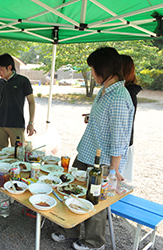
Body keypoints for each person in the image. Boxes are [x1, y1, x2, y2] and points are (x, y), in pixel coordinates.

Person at [51, 47, 134, 250]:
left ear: (104, 70)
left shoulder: (119, 97)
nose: (92, 74)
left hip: (104, 160)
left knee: (95, 200)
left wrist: (113, 171)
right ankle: (70, 231)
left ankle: (94, 242)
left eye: (93, 69)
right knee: (72, 189)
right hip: (88, 151)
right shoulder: (105, 89)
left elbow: (119, 137)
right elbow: (105, 121)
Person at [0, 53, 36, 151]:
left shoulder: (23, 81)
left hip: (16, 124)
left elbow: (31, 102)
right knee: (1, 154)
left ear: (9, 67)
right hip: (0, 125)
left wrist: (31, 123)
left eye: (1, 69)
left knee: (18, 154)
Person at [120, 55, 142, 181]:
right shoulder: (125, 91)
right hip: (124, 144)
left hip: (123, 145)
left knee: (119, 182)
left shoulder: (127, 93)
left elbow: (122, 121)